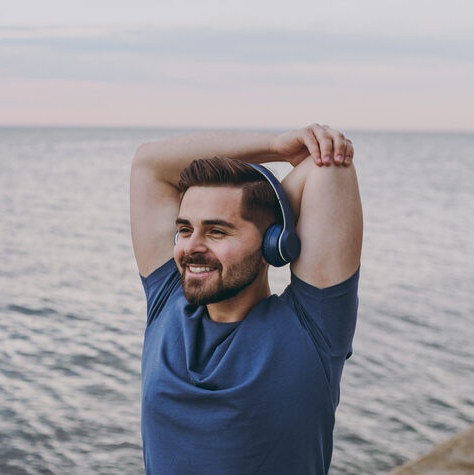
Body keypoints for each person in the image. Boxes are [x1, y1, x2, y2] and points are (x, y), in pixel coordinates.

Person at [129, 124, 363, 474]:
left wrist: (269, 209)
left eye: (217, 231)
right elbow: (149, 163)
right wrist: (275, 146)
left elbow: (327, 167)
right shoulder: (166, 302)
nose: (191, 246)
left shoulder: (313, 326)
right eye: (184, 229)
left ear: (274, 241)